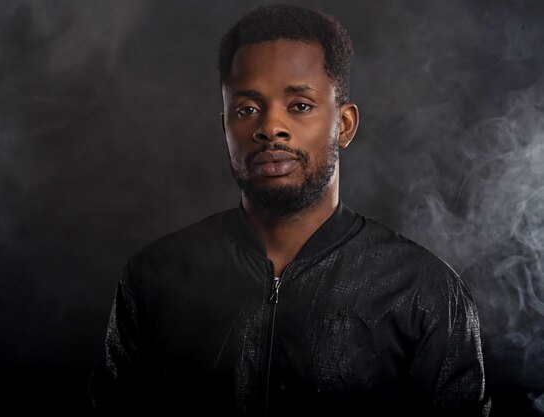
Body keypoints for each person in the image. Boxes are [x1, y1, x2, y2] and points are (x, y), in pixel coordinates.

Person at [88, 4, 491, 416]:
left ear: (345, 125)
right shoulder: (155, 277)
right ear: (224, 127)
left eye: (299, 105)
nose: (270, 127)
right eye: (247, 109)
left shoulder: (423, 291)